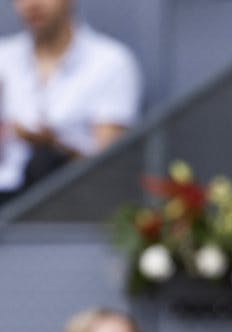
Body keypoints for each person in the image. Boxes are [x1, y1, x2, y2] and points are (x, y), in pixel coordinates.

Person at [0, 0, 142, 206]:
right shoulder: (4, 57)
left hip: (71, 199)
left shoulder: (110, 62)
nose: (32, 4)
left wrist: (55, 145)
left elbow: (109, 164)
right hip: (5, 197)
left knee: (44, 161)